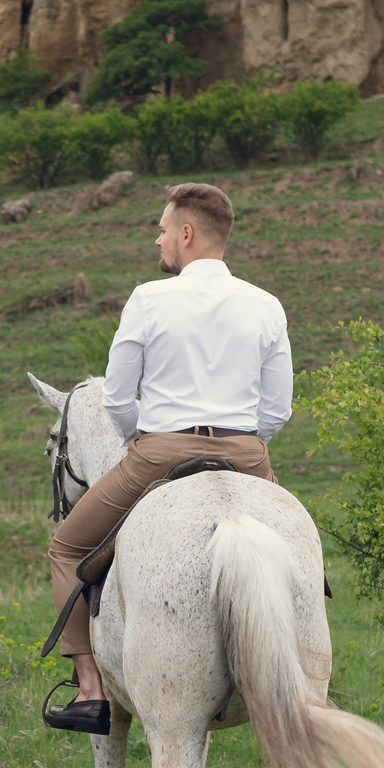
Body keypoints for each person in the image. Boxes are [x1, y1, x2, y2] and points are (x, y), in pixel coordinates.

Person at [43, 183, 291, 735]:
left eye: (162, 229)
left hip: (161, 450)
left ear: (186, 234)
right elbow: (277, 409)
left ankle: (89, 690)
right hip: (246, 453)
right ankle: (308, 672)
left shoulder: (149, 299)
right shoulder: (266, 304)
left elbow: (115, 398)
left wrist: (142, 440)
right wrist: (243, 442)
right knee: (302, 554)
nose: (158, 239)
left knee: (65, 547)